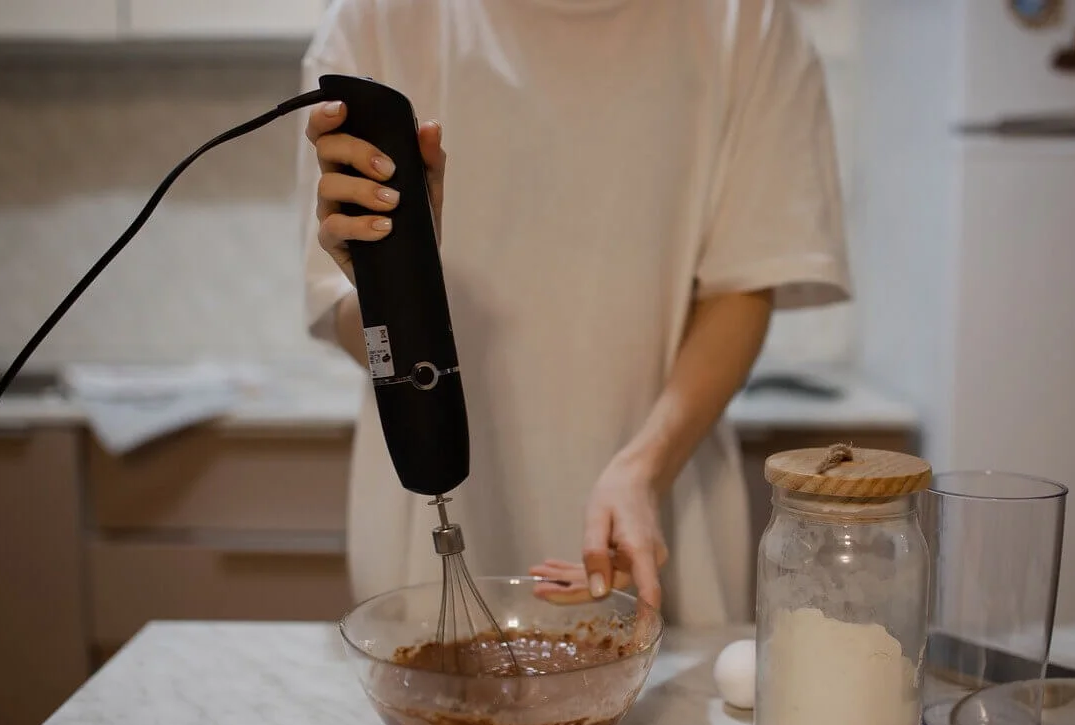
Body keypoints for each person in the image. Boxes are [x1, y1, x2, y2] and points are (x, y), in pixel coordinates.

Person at [298, 0, 850, 626]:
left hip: (662, 508)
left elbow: (744, 286)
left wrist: (645, 468)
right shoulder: (377, 18)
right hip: (426, 522)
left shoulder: (744, 19)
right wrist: (397, 282)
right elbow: (348, 318)